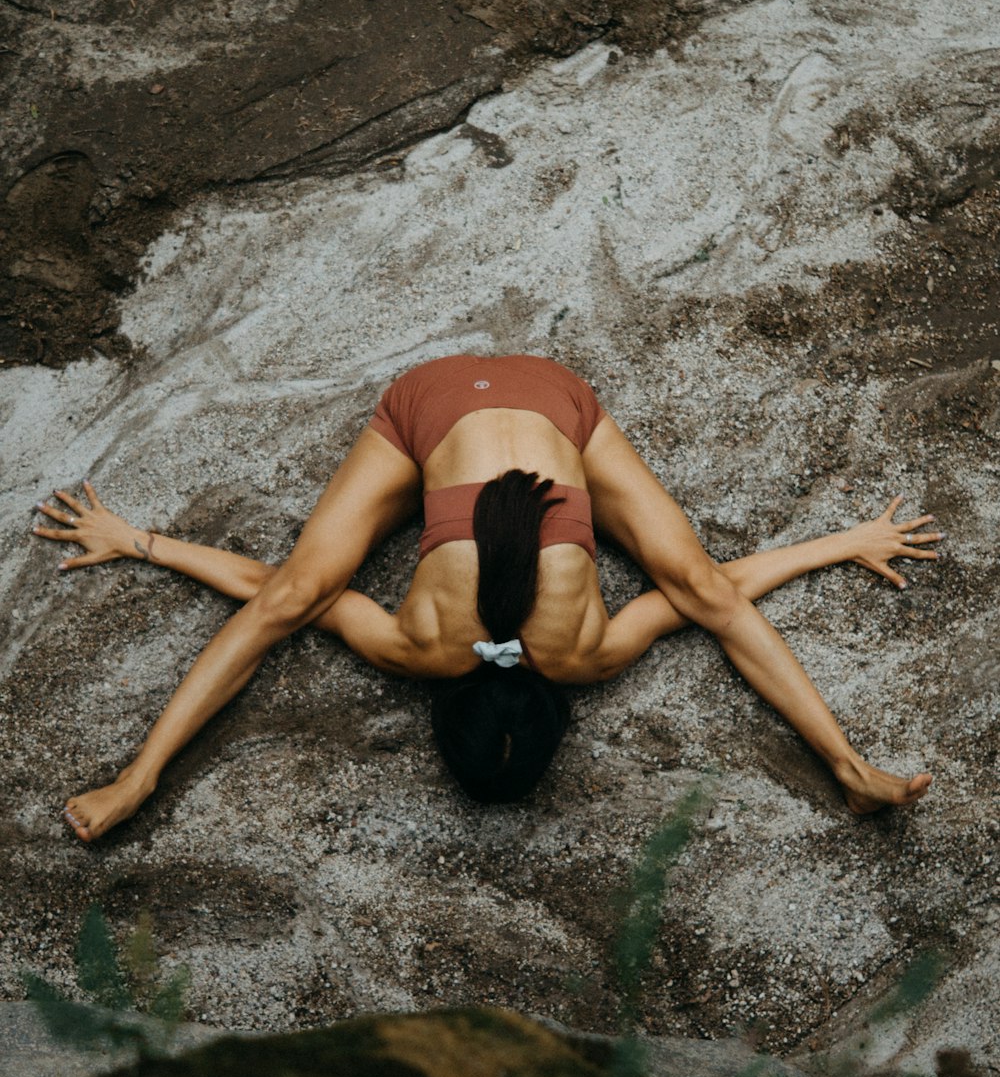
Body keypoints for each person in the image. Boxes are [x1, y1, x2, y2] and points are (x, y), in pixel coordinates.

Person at [32, 354, 939, 840]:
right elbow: (266, 593)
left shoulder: (589, 656)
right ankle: (140, 775)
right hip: (439, 402)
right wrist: (137, 542)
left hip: (557, 398)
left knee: (697, 589)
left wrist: (845, 542)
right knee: (299, 598)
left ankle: (853, 767)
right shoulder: (416, 650)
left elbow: (723, 593)